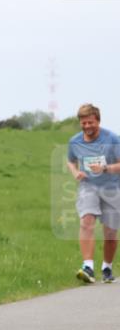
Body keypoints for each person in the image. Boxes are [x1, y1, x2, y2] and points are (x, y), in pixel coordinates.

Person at [66, 103, 120, 284]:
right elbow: (71, 161)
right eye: (84, 123)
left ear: (98, 121)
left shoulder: (112, 139)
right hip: (88, 186)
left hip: (112, 188)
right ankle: (88, 266)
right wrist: (75, 173)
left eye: (90, 123)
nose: (87, 127)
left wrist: (105, 168)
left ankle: (107, 267)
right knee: (86, 221)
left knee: (110, 232)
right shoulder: (75, 142)